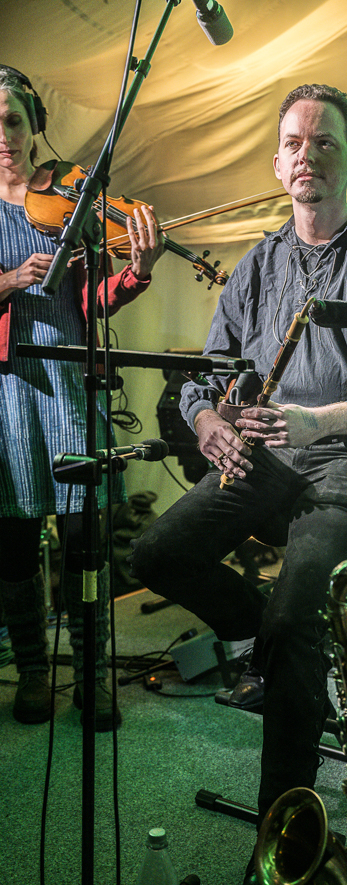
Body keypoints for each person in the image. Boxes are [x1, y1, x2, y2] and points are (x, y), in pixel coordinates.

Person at [131, 83, 347, 885]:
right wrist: (207, 424)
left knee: (294, 614)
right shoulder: (256, 265)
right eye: (293, 142)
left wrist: (329, 419)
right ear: (277, 163)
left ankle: (276, 850)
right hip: (267, 455)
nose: (307, 154)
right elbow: (208, 373)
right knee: (154, 556)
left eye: (324, 142)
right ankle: (274, 653)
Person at [0, 65, 164, 731]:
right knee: (12, 540)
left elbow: (92, 299)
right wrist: (11, 278)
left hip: (68, 382)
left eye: (13, 120)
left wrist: (137, 273)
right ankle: (34, 672)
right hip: (7, 391)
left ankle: (92, 674)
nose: (3, 135)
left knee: (84, 538)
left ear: (34, 123)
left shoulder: (70, 191)